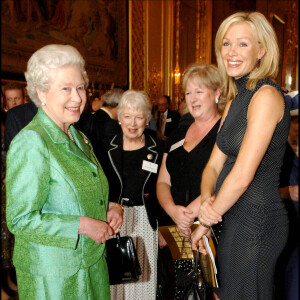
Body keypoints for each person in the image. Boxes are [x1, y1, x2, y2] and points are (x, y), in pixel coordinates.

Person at [5, 44, 123, 300]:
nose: (78, 98)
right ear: (41, 93)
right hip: (53, 277)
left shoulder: (79, 138)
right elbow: (20, 219)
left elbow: (75, 195)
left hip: (91, 265)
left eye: (80, 87)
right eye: (66, 88)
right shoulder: (32, 142)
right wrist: (82, 225)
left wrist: (110, 208)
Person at [191, 12, 291, 300]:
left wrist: (208, 218)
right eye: (226, 43)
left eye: (243, 44)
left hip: (257, 223)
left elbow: (243, 175)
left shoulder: (267, 96)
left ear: (261, 50)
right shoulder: (236, 96)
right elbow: (213, 164)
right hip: (230, 216)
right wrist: (207, 201)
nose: (231, 53)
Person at [156, 63, 222, 299]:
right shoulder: (178, 133)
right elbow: (163, 181)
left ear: (216, 93)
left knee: (215, 291)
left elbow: (224, 179)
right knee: (187, 291)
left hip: (214, 225)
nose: (193, 98)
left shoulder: (224, 132)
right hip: (180, 229)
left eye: (199, 91)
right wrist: (173, 211)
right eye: (188, 93)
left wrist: (190, 213)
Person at [106, 90, 164, 299]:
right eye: (127, 116)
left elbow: (163, 188)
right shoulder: (107, 148)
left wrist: (163, 227)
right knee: (116, 282)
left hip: (146, 221)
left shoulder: (157, 149)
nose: (133, 123)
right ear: (119, 118)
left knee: (144, 280)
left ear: (147, 119)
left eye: (139, 117)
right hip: (113, 219)